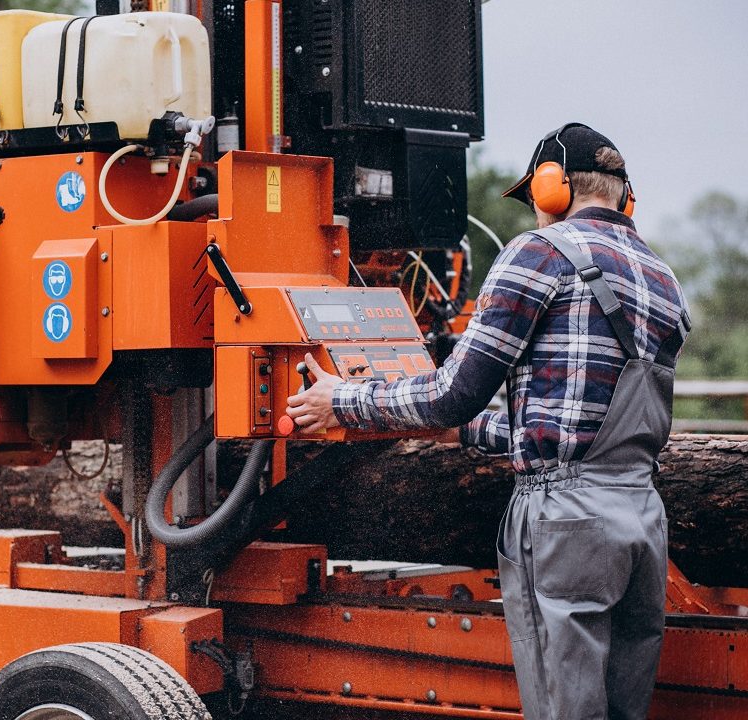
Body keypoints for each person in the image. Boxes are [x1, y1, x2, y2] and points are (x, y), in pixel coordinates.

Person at [285, 123, 691, 720]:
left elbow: (454, 393)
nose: (535, 213)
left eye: (534, 200)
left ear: (552, 188)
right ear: (624, 196)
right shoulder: (664, 279)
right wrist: (466, 432)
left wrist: (340, 401)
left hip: (567, 523)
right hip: (641, 521)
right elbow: (582, 431)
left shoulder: (540, 253)